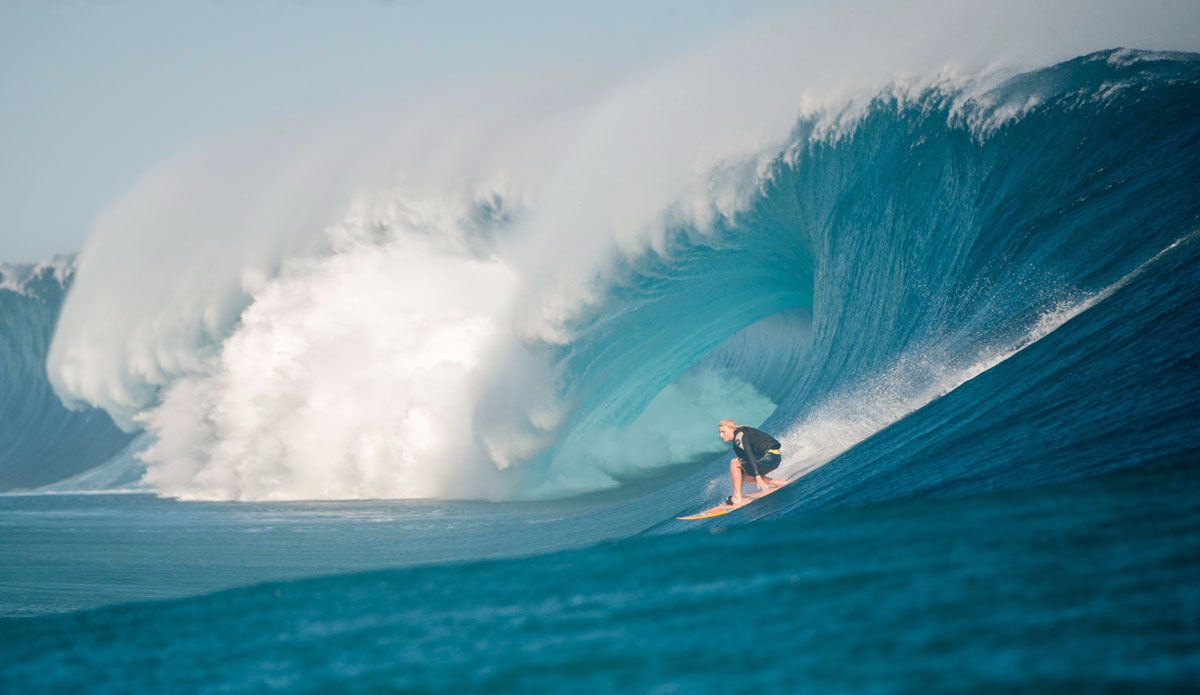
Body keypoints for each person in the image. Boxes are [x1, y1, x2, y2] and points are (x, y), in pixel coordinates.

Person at [718, 418, 784, 505]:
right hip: (775, 457)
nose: (721, 435)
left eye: (723, 432)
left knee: (734, 462)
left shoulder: (739, 436)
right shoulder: (743, 433)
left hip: (768, 456)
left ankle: (737, 497)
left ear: (732, 429)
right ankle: (778, 483)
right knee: (746, 477)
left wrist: (757, 476)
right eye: (720, 432)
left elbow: (749, 454)